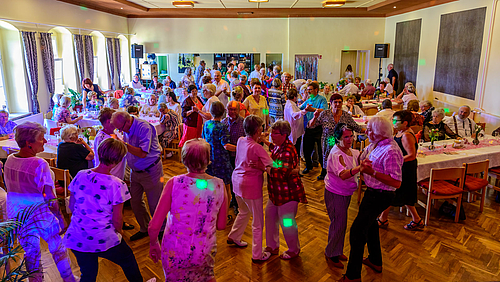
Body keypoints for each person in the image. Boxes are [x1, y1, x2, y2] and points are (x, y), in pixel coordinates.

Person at [5, 122, 75, 282]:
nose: (45, 141)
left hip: (18, 216)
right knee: (58, 249)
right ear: (29, 143)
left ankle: (35, 280)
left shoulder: (9, 159)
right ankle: (69, 279)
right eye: (41, 139)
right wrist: (60, 216)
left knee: (31, 254)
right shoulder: (39, 163)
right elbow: (50, 198)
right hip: (40, 215)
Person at [148, 139, 227, 281]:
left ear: (184, 159)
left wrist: (154, 243)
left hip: (176, 248)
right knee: (206, 277)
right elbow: (221, 226)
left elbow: (154, 226)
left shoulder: (175, 183)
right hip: (204, 249)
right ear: (208, 159)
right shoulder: (219, 185)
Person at [65, 139, 143, 282]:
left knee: (88, 275)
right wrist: (119, 233)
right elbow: (118, 219)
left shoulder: (81, 175)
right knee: (128, 260)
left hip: (77, 236)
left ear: (99, 152)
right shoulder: (117, 184)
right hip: (102, 236)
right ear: (119, 160)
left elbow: (71, 205)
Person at [339, 116, 403, 282]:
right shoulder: (376, 144)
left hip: (381, 195)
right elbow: (363, 157)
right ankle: (375, 261)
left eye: (369, 130)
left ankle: (352, 276)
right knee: (371, 225)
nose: (365, 132)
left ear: (380, 133)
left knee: (357, 232)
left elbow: (396, 182)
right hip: (373, 192)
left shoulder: (391, 151)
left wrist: (372, 172)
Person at [110, 111, 164, 241]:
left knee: (154, 203)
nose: (120, 130)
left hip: (151, 169)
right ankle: (145, 228)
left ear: (128, 121)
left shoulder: (143, 127)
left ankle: (161, 231)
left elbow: (142, 153)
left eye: (120, 128)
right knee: (135, 202)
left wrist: (123, 144)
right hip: (136, 171)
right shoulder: (126, 127)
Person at [227, 115, 274, 262]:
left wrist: (261, 139)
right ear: (257, 130)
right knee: (258, 222)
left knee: (243, 211)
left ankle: (234, 236)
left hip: (236, 181)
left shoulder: (241, 140)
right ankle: (257, 254)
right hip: (250, 186)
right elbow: (273, 167)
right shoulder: (257, 148)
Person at [260, 120, 306, 260]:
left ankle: (294, 249)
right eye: (272, 132)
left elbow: (280, 173)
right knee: (270, 217)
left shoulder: (287, 150)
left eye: (275, 133)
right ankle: (272, 246)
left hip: (288, 195)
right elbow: (275, 150)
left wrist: (264, 166)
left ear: (285, 134)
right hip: (276, 193)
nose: (272, 135)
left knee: (287, 223)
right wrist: (266, 143)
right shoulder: (280, 146)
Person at [377, 111, 423, 231]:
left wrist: (397, 161)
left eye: (396, 121)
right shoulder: (401, 132)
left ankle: (383, 219)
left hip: (405, 168)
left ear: (405, 123)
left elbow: (412, 155)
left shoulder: (406, 135)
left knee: (395, 193)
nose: (394, 123)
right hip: (401, 167)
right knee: (398, 194)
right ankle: (416, 219)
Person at [324, 123, 361, 269]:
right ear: (338, 138)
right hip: (335, 193)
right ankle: (331, 253)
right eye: (346, 137)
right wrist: (360, 168)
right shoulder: (336, 154)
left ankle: (336, 250)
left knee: (341, 223)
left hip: (345, 192)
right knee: (338, 223)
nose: (350, 139)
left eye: (351, 136)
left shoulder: (351, 151)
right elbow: (343, 174)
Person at [308, 94, 364, 180]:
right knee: (328, 160)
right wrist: (315, 118)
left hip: (342, 143)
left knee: (341, 161)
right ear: (331, 103)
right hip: (328, 141)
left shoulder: (346, 115)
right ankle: (327, 176)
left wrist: (369, 130)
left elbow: (356, 127)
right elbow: (311, 125)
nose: (338, 104)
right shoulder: (324, 114)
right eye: (335, 102)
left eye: (340, 102)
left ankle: (341, 176)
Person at [202, 101, 236, 212]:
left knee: (211, 189)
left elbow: (203, 140)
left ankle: (212, 211)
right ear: (223, 113)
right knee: (226, 191)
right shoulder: (222, 126)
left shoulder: (206, 124)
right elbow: (226, 145)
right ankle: (224, 215)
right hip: (221, 161)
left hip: (210, 160)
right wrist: (240, 147)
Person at [300, 82, 329, 178]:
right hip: (309, 127)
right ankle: (309, 166)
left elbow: (324, 110)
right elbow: (300, 108)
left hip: (319, 128)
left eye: (310, 89)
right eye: (308, 90)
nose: (308, 91)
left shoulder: (322, 99)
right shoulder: (308, 100)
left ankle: (324, 171)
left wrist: (312, 109)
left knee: (321, 151)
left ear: (316, 89)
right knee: (306, 149)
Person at [222, 101, 246, 214]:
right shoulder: (224, 123)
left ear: (238, 110)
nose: (232, 112)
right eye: (230, 109)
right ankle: (234, 200)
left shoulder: (244, 123)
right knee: (230, 181)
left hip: (239, 157)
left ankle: (239, 203)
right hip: (227, 157)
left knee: (239, 181)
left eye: (234, 109)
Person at [284, 88, 307, 158]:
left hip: (293, 129)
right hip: (294, 130)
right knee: (295, 150)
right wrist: (304, 111)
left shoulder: (289, 103)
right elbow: (294, 114)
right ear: (294, 97)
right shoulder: (291, 105)